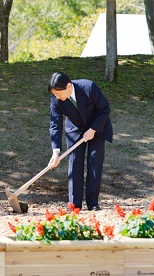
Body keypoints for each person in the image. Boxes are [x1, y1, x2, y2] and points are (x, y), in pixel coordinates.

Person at [48, 71, 113, 211]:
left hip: (97, 125)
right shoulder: (56, 99)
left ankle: (93, 203)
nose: (57, 97)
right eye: (54, 94)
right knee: (75, 162)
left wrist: (93, 129)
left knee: (94, 162)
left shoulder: (88, 87)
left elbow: (105, 109)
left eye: (59, 93)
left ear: (69, 86)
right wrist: (56, 151)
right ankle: (74, 205)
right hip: (75, 129)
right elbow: (55, 124)